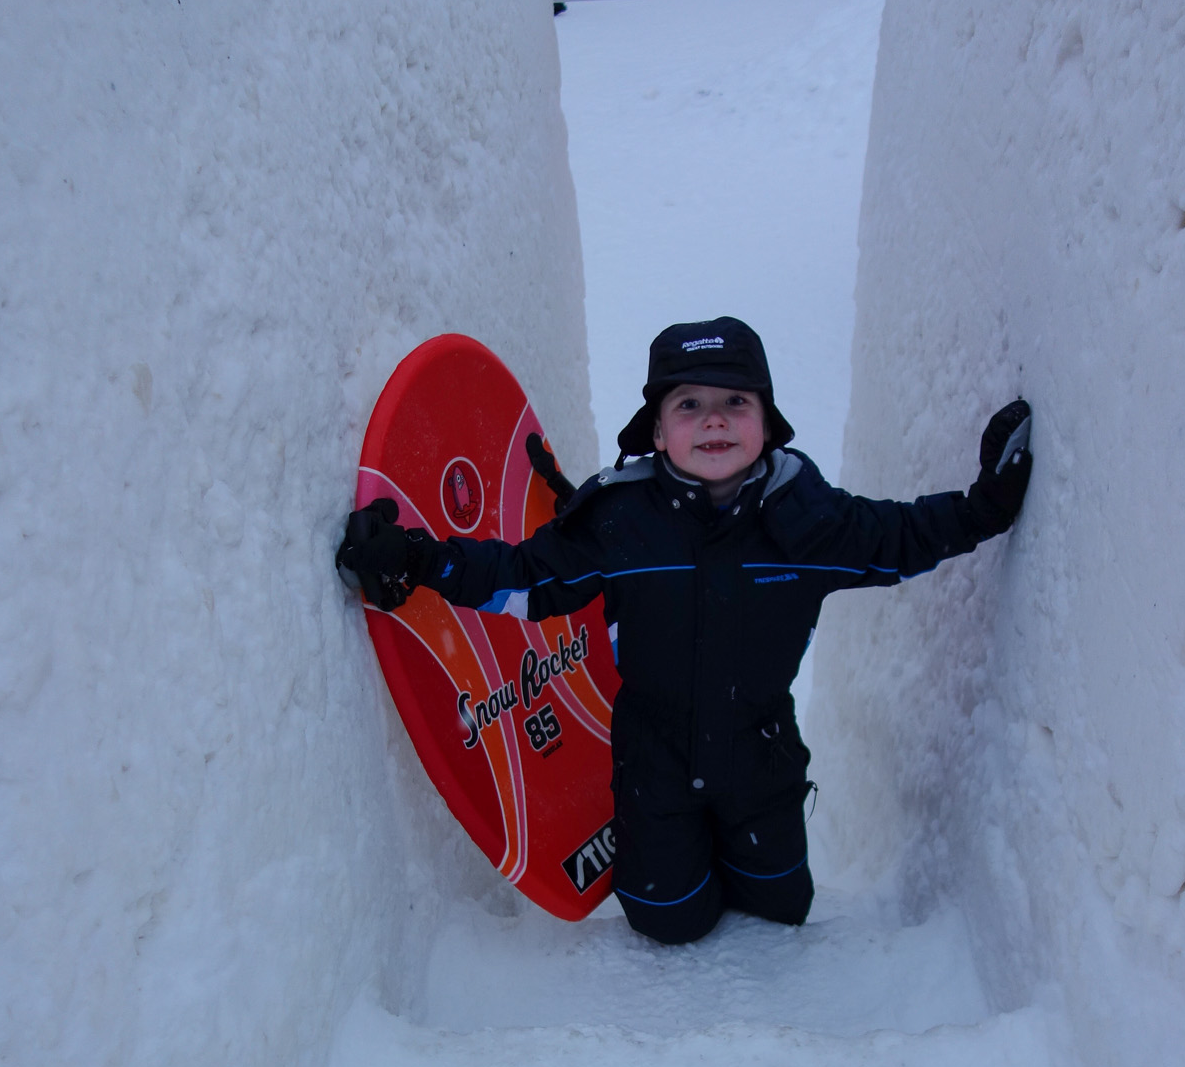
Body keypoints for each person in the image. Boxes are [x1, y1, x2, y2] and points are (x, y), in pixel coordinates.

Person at [338, 317, 1031, 945]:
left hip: (761, 759)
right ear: (657, 430)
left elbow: (900, 536)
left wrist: (985, 508)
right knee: (669, 923)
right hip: (654, 762)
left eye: (735, 401)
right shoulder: (619, 518)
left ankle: (742, 863)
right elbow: (526, 577)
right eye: (688, 404)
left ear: (767, 422)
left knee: (778, 914)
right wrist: (422, 561)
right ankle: (681, 871)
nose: (713, 420)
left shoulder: (808, 516)